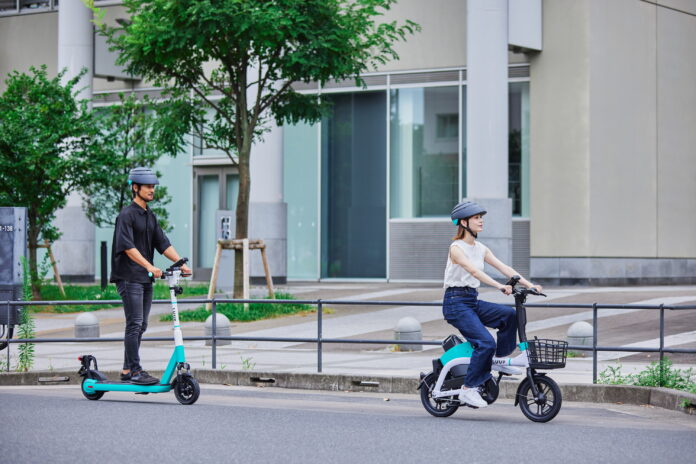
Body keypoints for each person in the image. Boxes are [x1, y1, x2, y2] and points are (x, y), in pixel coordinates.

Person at [442, 200, 542, 408]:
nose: (481, 221)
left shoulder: (480, 248)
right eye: (477, 218)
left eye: (481, 217)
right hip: (455, 302)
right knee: (485, 342)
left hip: (471, 300)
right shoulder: (456, 248)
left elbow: (504, 267)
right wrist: (499, 287)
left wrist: (530, 285)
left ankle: (498, 361)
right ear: (464, 222)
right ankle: (468, 390)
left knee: (509, 316)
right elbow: (474, 272)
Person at [110, 167, 192, 385]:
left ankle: (128, 369)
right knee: (135, 323)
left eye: (153, 187)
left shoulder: (149, 216)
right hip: (128, 276)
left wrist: (180, 263)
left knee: (142, 324)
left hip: (145, 277)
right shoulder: (126, 215)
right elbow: (127, 247)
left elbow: (162, 243)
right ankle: (135, 371)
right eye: (147, 187)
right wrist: (149, 266)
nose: (151, 190)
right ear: (135, 188)